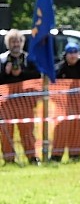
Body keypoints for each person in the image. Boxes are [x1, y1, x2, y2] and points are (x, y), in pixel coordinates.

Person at [0, 29, 39, 165]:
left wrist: (22, 72)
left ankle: (32, 157)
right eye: (12, 41)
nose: (15, 44)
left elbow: (37, 75)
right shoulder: (2, 59)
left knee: (27, 130)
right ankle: (9, 159)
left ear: (22, 43)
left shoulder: (29, 59)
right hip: (6, 102)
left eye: (18, 41)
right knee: (6, 131)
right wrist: (5, 72)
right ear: (8, 43)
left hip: (25, 102)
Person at [51, 42, 80, 162]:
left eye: (75, 52)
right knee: (61, 131)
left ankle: (75, 155)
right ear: (66, 54)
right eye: (70, 53)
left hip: (79, 105)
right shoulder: (60, 68)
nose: (72, 56)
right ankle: (56, 156)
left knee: (78, 130)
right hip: (63, 106)